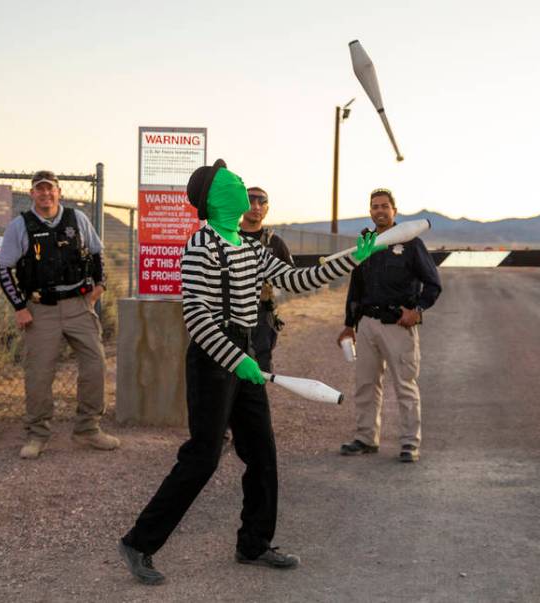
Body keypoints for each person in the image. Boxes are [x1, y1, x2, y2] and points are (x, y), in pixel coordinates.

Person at [117, 160, 385, 585]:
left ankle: (254, 543)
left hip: (246, 352)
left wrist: (355, 257)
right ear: (215, 197)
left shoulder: (250, 246)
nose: (243, 184)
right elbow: (197, 318)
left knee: (261, 453)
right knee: (203, 458)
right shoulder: (199, 246)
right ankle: (139, 542)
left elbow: (298, 279)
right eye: (233, 182)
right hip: (212, 359)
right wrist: (236, 359)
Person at [0, 170, 119, 459]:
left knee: (95, 364)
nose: (45, 194)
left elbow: (98, 254)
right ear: (32, 194)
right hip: (41, 309)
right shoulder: (20, 225)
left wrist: (98, 289)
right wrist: (20, 307)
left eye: (50, 189)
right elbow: (3, 269)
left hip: (78, 305)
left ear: (59, 192)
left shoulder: (77, 219)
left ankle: (88, 430)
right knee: (39, 374)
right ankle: (37, 434)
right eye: (40, 189)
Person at [336, 188, 442, 463]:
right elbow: (356, 286)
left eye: (384, 206)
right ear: (370, 211)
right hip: (368, 324)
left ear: (394, 210)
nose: (379, 210)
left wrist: (417, 312)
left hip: (398, 325)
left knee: (405, 386)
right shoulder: (366, 241)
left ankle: (410, 444)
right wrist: (349, 325)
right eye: (375, 206)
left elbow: (433, 283)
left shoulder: (410, 243)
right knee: (365, 385)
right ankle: (365, 438)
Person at [239, 186, 294, 372]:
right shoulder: (230, 238)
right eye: (251, 201)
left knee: (260, 371)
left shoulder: (275, 243)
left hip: (262, 317)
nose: (256, 207)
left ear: (267, 209)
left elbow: (291, 278)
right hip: (232, 316)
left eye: (261, 203)